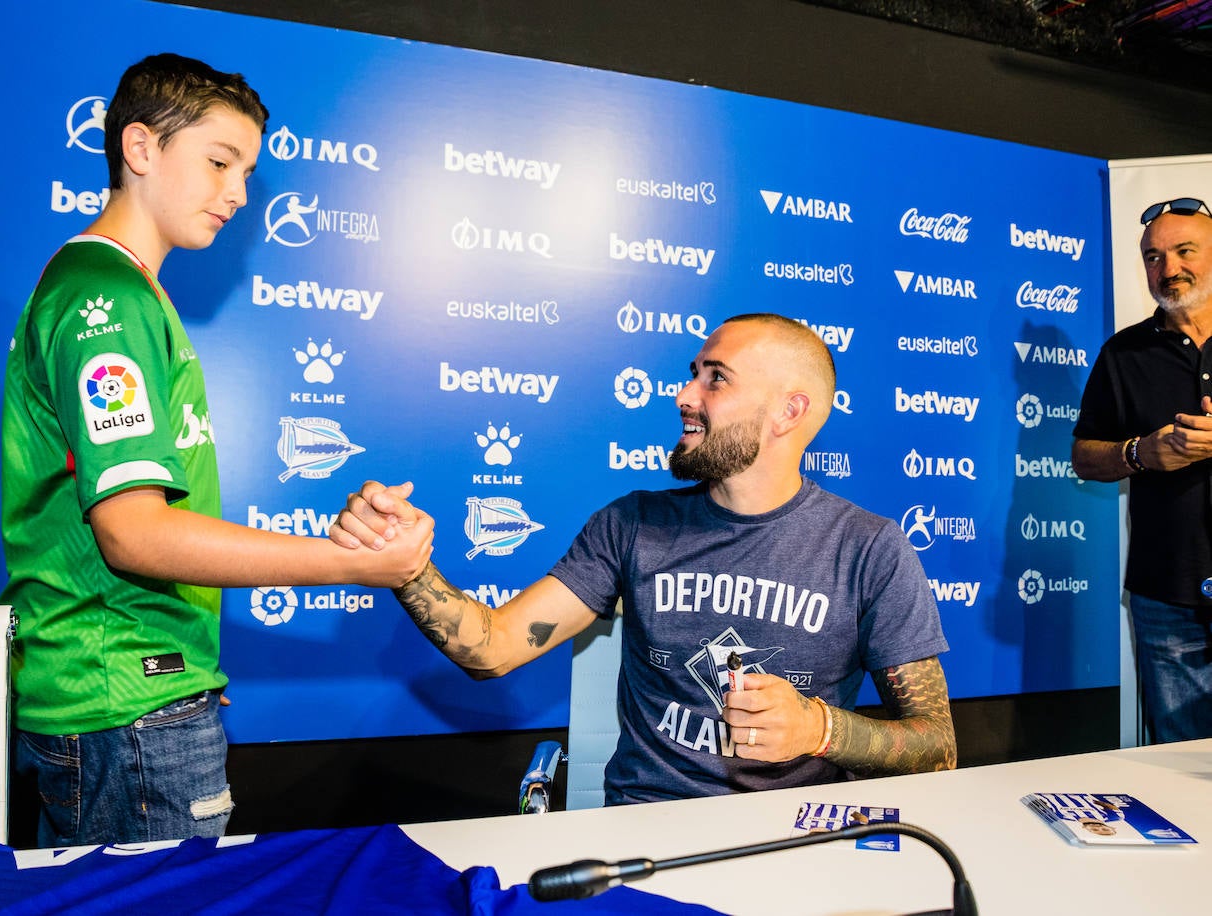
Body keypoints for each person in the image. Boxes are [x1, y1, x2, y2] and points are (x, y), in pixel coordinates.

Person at [0, 53, 432, 848]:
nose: (238, 192)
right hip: (123, 706)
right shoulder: (108, 298)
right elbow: (134, 533)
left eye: (247, 171)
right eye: (219, 161)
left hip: (133, 694)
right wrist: (353, 565)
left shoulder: (122, 291)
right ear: (140, 149)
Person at [331, 314, 956, 804]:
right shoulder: (633, 523)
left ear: (790, 411)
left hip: (792, 837)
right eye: (693, 373)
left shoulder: (869, 548)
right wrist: (409, 567)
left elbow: (938, 748)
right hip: (645, 830)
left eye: (717, 378)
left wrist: (819, 729)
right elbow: (492, 649)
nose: (685, 394)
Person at [1072, 196, 1212, 744]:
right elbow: (1084, 454)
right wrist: (1140, 454)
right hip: (1165, 592)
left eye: (1184, 251)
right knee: (1179, 762)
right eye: (1153, 257)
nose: (1168, 268)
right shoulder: (1122, 354)